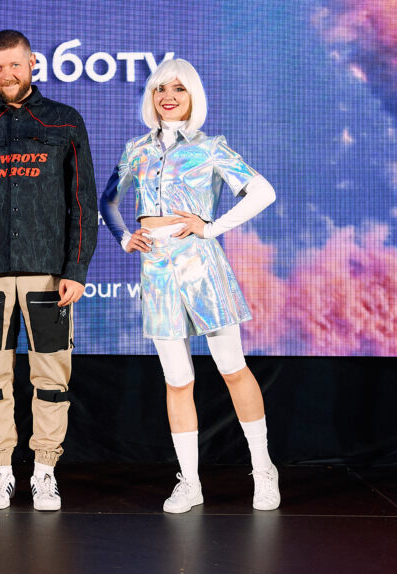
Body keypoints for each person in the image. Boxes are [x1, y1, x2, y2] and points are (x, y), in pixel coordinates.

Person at [99, 57, 280, 513]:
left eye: (178, 89)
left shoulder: (211, 147)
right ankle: (190, 482)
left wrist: (211, 227)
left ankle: (263, 470)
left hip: (201, 265)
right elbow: (108, 200)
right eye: (161, 89)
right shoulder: (136, 149)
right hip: (156, 269)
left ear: (193, 96)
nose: (169, 97)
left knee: (232, 368)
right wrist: (124, 236)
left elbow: (263, 192)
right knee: (177, 380)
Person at [0, 30, 98, 511]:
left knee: (51, 378)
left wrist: (75, 268)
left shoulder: (64, 121)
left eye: (14, 64)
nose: (7, 74)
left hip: (49, 276)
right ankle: (0, 470)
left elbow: (82, 202)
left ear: (33, 62)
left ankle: (44, 471)